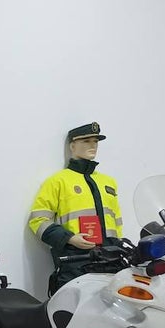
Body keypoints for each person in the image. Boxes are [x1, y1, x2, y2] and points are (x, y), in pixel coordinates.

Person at [28, 122, 124, 293]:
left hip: (110, 263)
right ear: (72, 146)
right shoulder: (58, 181)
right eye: (86, 141)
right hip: (75, 262)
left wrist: (118, 248)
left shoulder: (109, 183)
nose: (93, 146)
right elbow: (38, 220)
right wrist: (69, 238)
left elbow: (116, 223)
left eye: (95, 141)